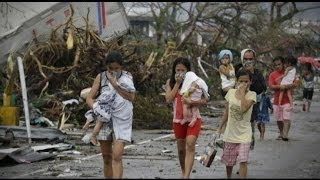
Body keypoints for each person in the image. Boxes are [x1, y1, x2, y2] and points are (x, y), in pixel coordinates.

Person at [86, 51, 136, 178]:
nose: (113, 71)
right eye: (110, 68)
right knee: (107, 157)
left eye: (116, 68)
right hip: (104, 120)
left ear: (121, 67)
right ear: (106, 67)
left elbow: (131, 97)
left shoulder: (126, 77)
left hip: (121, 119)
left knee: (117, 155)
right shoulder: (101, 77)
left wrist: (116, 86)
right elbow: (89, 98)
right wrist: (98, 108)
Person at [165, 57, 208, 179]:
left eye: (182, 70)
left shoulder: (196, 82)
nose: (180, 73)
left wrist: (193, 102)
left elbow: (206, 100)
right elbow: (168, 99)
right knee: (181, 150)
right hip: (178, 120)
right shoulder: (171, 82)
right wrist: (177, 83)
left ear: (188, 71)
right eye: (177, 70)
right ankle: (184, 171)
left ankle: (186, 176)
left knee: (190, 144)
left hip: (194, 119)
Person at [216, 69, 257, 179]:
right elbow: (227, 112)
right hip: (230, 134)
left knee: (243, 161)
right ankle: (229, 176)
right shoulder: (230, 93)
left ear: (250, 82)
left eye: (246, 81)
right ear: (237, 82)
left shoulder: (252, 95)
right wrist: (220, 128)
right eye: (241, 81)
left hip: (245, 134)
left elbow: (244, 109)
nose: (243, 84)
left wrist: (243, 92)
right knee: (229, 163)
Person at [268, 56, 298, 141]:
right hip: (277, 101)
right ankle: (281, 133)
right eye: (275, 65)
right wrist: (279, 87)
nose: (278, 66)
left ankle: (285, 135)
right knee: (279, 119)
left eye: (279, 64)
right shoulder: (272, 75)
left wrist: (286, 86)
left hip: (287, 100)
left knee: (286, 117)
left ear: (283, 63)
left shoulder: (289, 71)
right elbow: (271, 86)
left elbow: (296, 83)